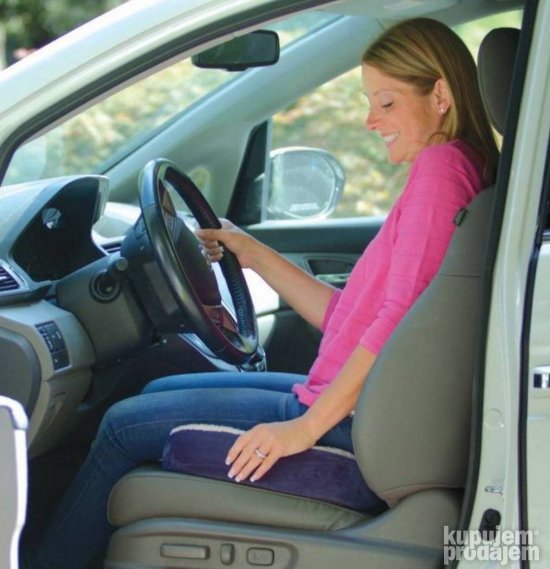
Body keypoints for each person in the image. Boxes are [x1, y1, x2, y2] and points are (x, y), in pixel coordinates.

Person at [25, 17, 498, 569]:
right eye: (370, 104)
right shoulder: (459, 171)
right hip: (352, 405)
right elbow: (349, 317)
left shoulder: (441, 170)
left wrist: (303, 429)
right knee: (154, 387)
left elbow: (396, 323)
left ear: (440, 95)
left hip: (349, 424)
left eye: (387, 103)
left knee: (122, 425)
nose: (372, 121)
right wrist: (251, 253)